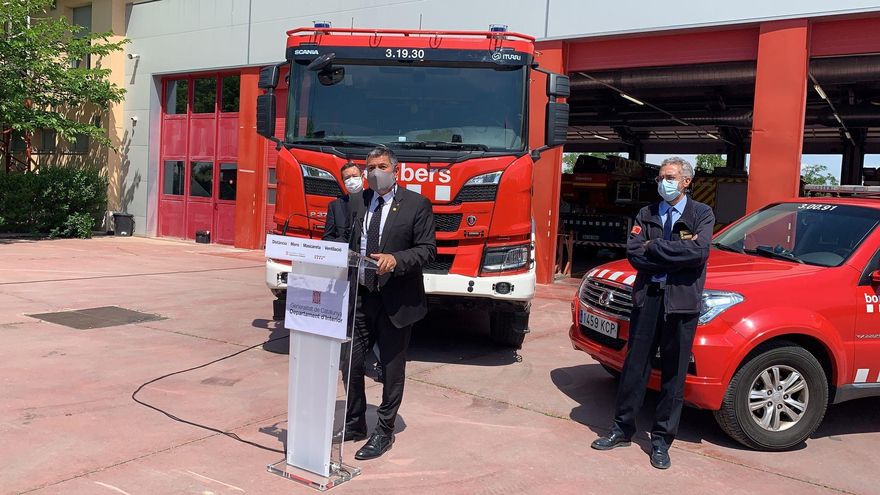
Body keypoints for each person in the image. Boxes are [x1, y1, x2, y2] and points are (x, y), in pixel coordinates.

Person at [591, 157, 714, 470]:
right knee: (635, 367)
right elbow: (634, 253)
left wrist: (654, 246)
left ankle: (661, 440)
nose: (663, 182)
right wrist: (666, 252)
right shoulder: (646, 213)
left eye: (670, 176)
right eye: (661, 177)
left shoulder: (701, 213)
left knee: (673, 374)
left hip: (681, 304)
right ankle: (621, 429)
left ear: (686, 181)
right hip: (649, 299)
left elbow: (698, 253)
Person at [343, 147, 436, 460]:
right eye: (370, 167)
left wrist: (396, 260)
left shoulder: (416, 204)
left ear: (396, 170)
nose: (374, 172)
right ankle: (355, 422)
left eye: (381, 166)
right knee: (351, 362)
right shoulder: (359, 202)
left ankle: (384, 431)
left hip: (397, 300)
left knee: (392, 369)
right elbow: (349, 241)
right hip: (362, 296)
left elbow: (427, 250)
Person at [322, 162, 363, 242]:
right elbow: (328, 237)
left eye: (354, 176)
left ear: (362, 177)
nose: (351, 180)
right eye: (347, 178)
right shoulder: (335, 206)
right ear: (343, 181)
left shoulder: (373, 200)